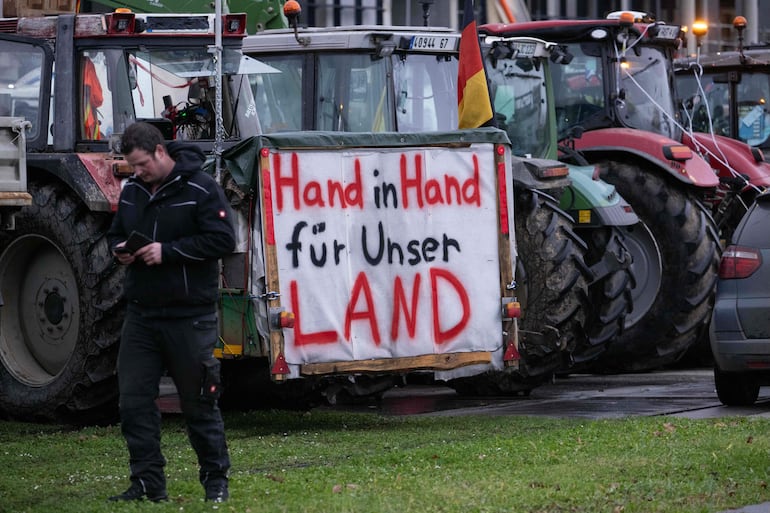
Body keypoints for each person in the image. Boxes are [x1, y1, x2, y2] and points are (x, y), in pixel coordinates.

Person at [106, 121, 236, 503]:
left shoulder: (200, 188)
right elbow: (115, 232)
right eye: (133, 166)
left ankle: (216, 482)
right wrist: (120, 250)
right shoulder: (131, 191)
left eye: (143, 164)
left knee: (198, 402)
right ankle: (147, 483)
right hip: (142, 315)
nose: (138, 172)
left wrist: (168, 251)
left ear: (161, 152)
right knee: (132, 402)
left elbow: (223, 239)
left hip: (189, 316)